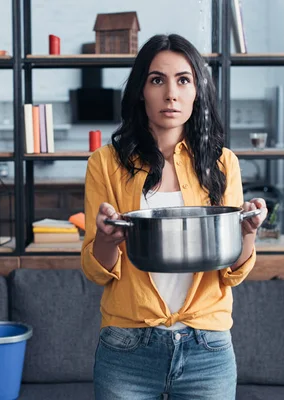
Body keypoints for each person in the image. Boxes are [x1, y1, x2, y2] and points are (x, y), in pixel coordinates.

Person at [81, 33, 267, 400]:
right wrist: (105, 239)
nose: (171, 93)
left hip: (207, 347)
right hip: (126, 347)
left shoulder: (222, 163)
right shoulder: (105, 163)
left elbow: (234, 273)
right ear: (140, 91)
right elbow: (95, 269)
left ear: (197, 90)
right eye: (157, 80)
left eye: (183, 80)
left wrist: (248, 232)